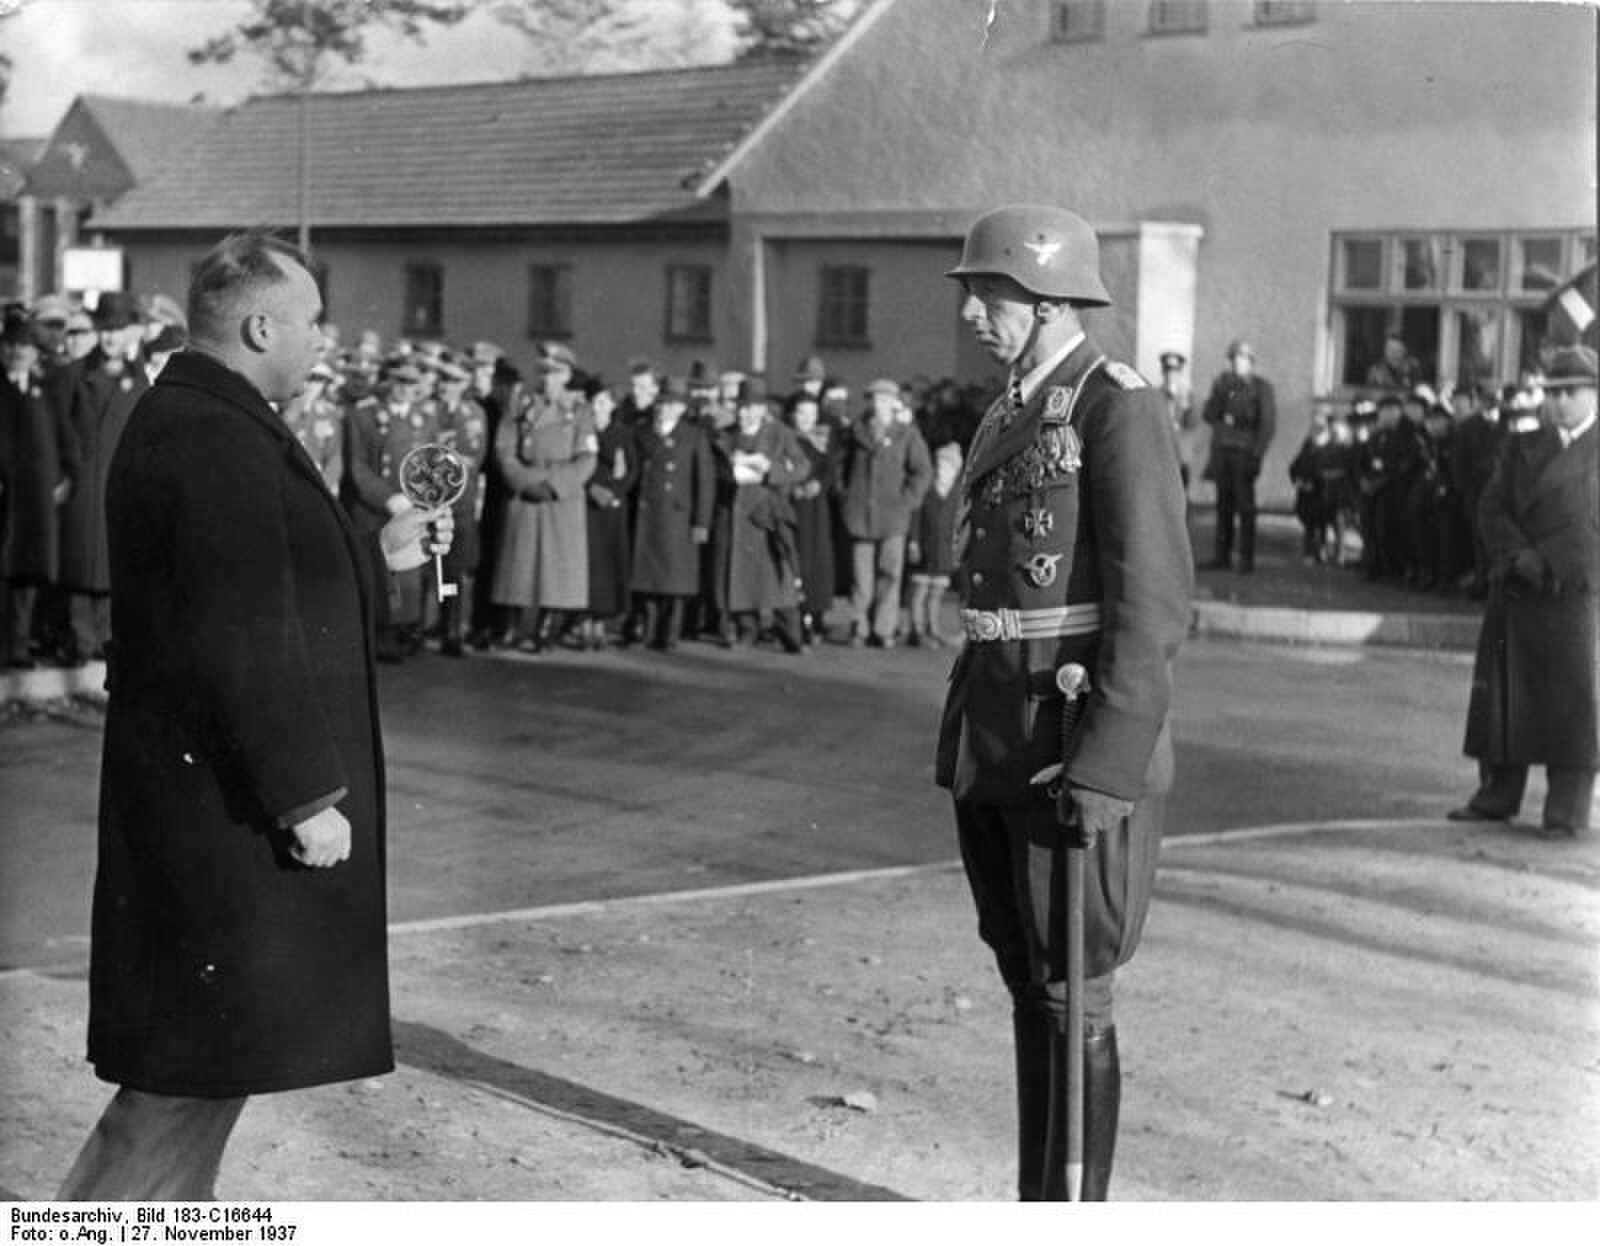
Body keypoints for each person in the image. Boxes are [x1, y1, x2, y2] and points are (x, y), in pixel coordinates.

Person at [58, 229, 450, 1201]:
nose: (324, 338)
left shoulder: (210, 418)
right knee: (182, 1081)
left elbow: (270, 579)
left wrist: (376, 555)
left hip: (210, 808)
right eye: (312, 320)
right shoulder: (213, 435)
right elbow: (238, 632)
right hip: (223, 817)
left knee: (206, 1068)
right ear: (262, 327)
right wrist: (305, 794)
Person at [937, 205, 1191, 1201]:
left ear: (1047, 301)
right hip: (998, 732)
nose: (971, 313)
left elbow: (1153, 605)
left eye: (987, 293)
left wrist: (1107, 766)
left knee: (1072, 992)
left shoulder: (1112, 407)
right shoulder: (1009, 409)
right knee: (1026, 979)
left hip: (1069, 742)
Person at [1449, 345, 1598, 838]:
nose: (1559, 402)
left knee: (1572, 704)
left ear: (1594, 394)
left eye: (1570, 392)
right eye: (1553, 392)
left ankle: (1565, 811)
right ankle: (1496, 796)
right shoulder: (1522, 446)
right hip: (1517, 588)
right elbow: (1490, 507)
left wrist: (1548, 560)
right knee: (1504, 697)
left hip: (1572, 592)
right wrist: (1517, 556)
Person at [59, 292, 148, 665]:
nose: (111, 337)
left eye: (118, 329)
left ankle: (106, 641)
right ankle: (81, 641)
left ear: (131, 333)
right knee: (80, 563)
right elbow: (59, 427)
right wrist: (68, 473)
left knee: (113, 564)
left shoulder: (138, 379)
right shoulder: (75, 374)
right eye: (106, 329)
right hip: (83, 481)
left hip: (120, 482)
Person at [490, 342, 596, 653]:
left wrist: (555, 486)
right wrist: (524, 481)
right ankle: (512, 626)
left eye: (555, 373)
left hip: (560, 496)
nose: (547, 379)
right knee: (519, 564)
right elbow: (505, 450)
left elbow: (587, 458)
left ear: (567, 376)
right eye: (543, 372)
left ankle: (545, 627)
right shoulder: (521, 405)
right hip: (526, 490)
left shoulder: (579, 411)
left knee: (556, 566)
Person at [710, 376, 808, 652]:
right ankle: (747, 628)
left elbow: (802, 467)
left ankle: (791, 632)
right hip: (735, 515)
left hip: (766, 515)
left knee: (778, 575)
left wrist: (771, 470)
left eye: (749, 408)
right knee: (739, 574)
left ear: (762, 409)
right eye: (740, 407)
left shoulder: (780, 433)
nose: (743, 413)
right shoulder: (724, 435)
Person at [0, 309, 75, 668]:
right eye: (10, 344)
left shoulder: (45, 392)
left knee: (27, 573)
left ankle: (17, 645)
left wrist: (67, 477)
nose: (17, 352)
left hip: (34, 501)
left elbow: (65, 440)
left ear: (35, 353)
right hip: (4, 497)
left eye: (24, 346)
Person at [837, 378, 933, 647]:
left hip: (893, 516)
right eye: (875, 400)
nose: (880, 405)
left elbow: (923, 471)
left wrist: (908, 500)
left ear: (894, 403)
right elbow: (840, 468)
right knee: (861, 577)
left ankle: (884, 629)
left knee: (890, 575)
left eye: (885, 400)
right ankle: (859, 627)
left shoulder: (907, 434)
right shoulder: (855, 431)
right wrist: (845, 497)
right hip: (860, 516)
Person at [630, 375, 714, 650]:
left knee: (675, 580)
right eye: (660, 403)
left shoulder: (693, 435)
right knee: (647, 578)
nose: (662, 408)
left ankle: (670, 633)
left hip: (677, 515)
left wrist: (701, 521)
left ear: (681, 408)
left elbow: (704, 481)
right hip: (648, 513)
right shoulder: (642, 432)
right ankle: (647, 629)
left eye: (669, 404)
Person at [431, 355, 491, 656]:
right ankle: (424, 622)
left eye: (454, 380)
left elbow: (474, 456)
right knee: (426, 567)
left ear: (465, 383)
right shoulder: (429, 409)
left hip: (459, 501)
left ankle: (451, 627)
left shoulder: (474, 414)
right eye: (443, 379)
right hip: (428, 498)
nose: (447, 386)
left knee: (453, 569)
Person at [1201, 339, 1275, 573]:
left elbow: (1267, 425)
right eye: (1233, 358)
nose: (1236, 363)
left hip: (1245, 453)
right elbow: (1208, 414)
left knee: (1245, 507)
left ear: (1251, 362)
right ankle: (1221, 556)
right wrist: (1220, 396)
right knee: (1223, 505)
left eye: (1242, 358)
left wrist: (1257, 455)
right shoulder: (1222, 384)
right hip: (1223, 452)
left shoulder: (1261, 387)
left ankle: (1246, 558)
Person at [580, 383, 638, 650]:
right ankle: (583, 622)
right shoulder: (583, 431)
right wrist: (589, 488)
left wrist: (615, 492)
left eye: (603, 402)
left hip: (612, 508)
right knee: (587, 564)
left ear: (613, 405)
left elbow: (632, 469)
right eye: (594, 402)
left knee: (608, 565)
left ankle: (601, 623)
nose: (597, 408)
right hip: (586, 503)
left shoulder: (622, 434)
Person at [784, 391, 838, 646]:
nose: (807, 419)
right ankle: (794, 616)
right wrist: (791, 488)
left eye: (812, 414)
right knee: (795, 561)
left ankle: (815, 615)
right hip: (791, 508)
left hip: (816, 511)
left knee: (817, 563)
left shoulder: (821, 440)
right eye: (802, 413)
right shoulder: (785, 439)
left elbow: (830, 470)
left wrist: (819, 484)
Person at [905, 440, 962, 647]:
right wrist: (913, 542)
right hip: (924, 548)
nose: (942, 469)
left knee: (936, 594)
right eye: (940, 464)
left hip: (944, 552)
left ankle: (933, 629)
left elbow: (958, 524)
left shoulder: (957, 493)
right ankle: (916, 630)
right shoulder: (927, 489)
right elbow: (915, 517)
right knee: (919, 591)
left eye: (947, 465)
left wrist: (957, 548)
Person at [1157, 350, 1196, 493]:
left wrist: (1185, 405)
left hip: (1181, 453)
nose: (1171, 375)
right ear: (1162, 372)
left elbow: (1193, 423)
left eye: (1175, 371)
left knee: (1181, 490)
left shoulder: (1188, 395)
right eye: (1167, 370)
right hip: (1162, 452)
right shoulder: (1156, 394)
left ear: (1180, 373)